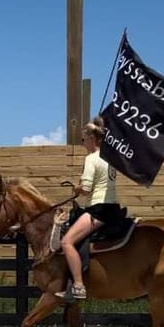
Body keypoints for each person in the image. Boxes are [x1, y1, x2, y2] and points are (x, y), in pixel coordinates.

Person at [60, 115, 121, 300]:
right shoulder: (110, 159)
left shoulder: (92, 159)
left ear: (92, 138)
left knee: (66, 242)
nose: (82, 142)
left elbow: (86, 190)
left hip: (98, 208)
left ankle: (78, 285)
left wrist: (77, 188)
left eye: (83, 139)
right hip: (113, 207)